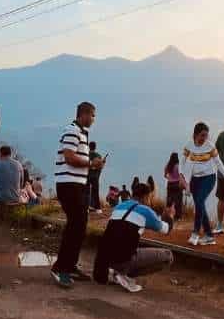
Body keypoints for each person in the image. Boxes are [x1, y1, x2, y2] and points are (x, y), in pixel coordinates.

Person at [51, 102, 103, 289]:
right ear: (84, 114)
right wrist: (91, 163)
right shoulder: (72, 130)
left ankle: (70, 265)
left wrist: (92, 164)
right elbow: (69, 157)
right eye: (93, 115)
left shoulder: (81, 133)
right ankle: (60, 268)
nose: (94, 119)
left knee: (79, 226)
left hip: (77, 185)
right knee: (75, 226)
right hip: (69, 185)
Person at [93, 180, 175, 293]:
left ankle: (116, 272)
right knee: (168, 256)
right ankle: (122, 273)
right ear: (146, 197)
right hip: (123, 259)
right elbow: (166, 229)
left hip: (106, 259)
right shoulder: (145, 211)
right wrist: (170, 216)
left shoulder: (119, 207)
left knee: (126, 244)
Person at [181, 122, 224, 247]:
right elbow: (183, 163)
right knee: (200, 204)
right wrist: (184, 180)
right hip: (194, 180)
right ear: (195, 135)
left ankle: (195, 233)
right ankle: (209, 236)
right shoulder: (189, 145)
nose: (204, 138)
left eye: (206, 135)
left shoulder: (210, 146)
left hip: (209, 178)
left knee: (199, 201)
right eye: (202, 135)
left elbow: (219, 163)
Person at [164, 152, 186, 221]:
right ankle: (178, 217)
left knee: (169, 201)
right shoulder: (179, 166)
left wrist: (170, 178)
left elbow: (165, 175)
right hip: (177, 185)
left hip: (170, 184)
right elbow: (182, 176)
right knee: (178, 201)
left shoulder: (168, 166)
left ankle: (166, 216)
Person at [87, 141, 105, 214]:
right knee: (95, 192)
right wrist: (103, 162)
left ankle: (86, 208)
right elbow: (100, 167)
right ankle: (98, 209)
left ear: (89, 146)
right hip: (95, 176)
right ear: (95, 147)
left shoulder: (86, 154)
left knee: (86, 192)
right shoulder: (98, 155)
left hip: (87, 175)